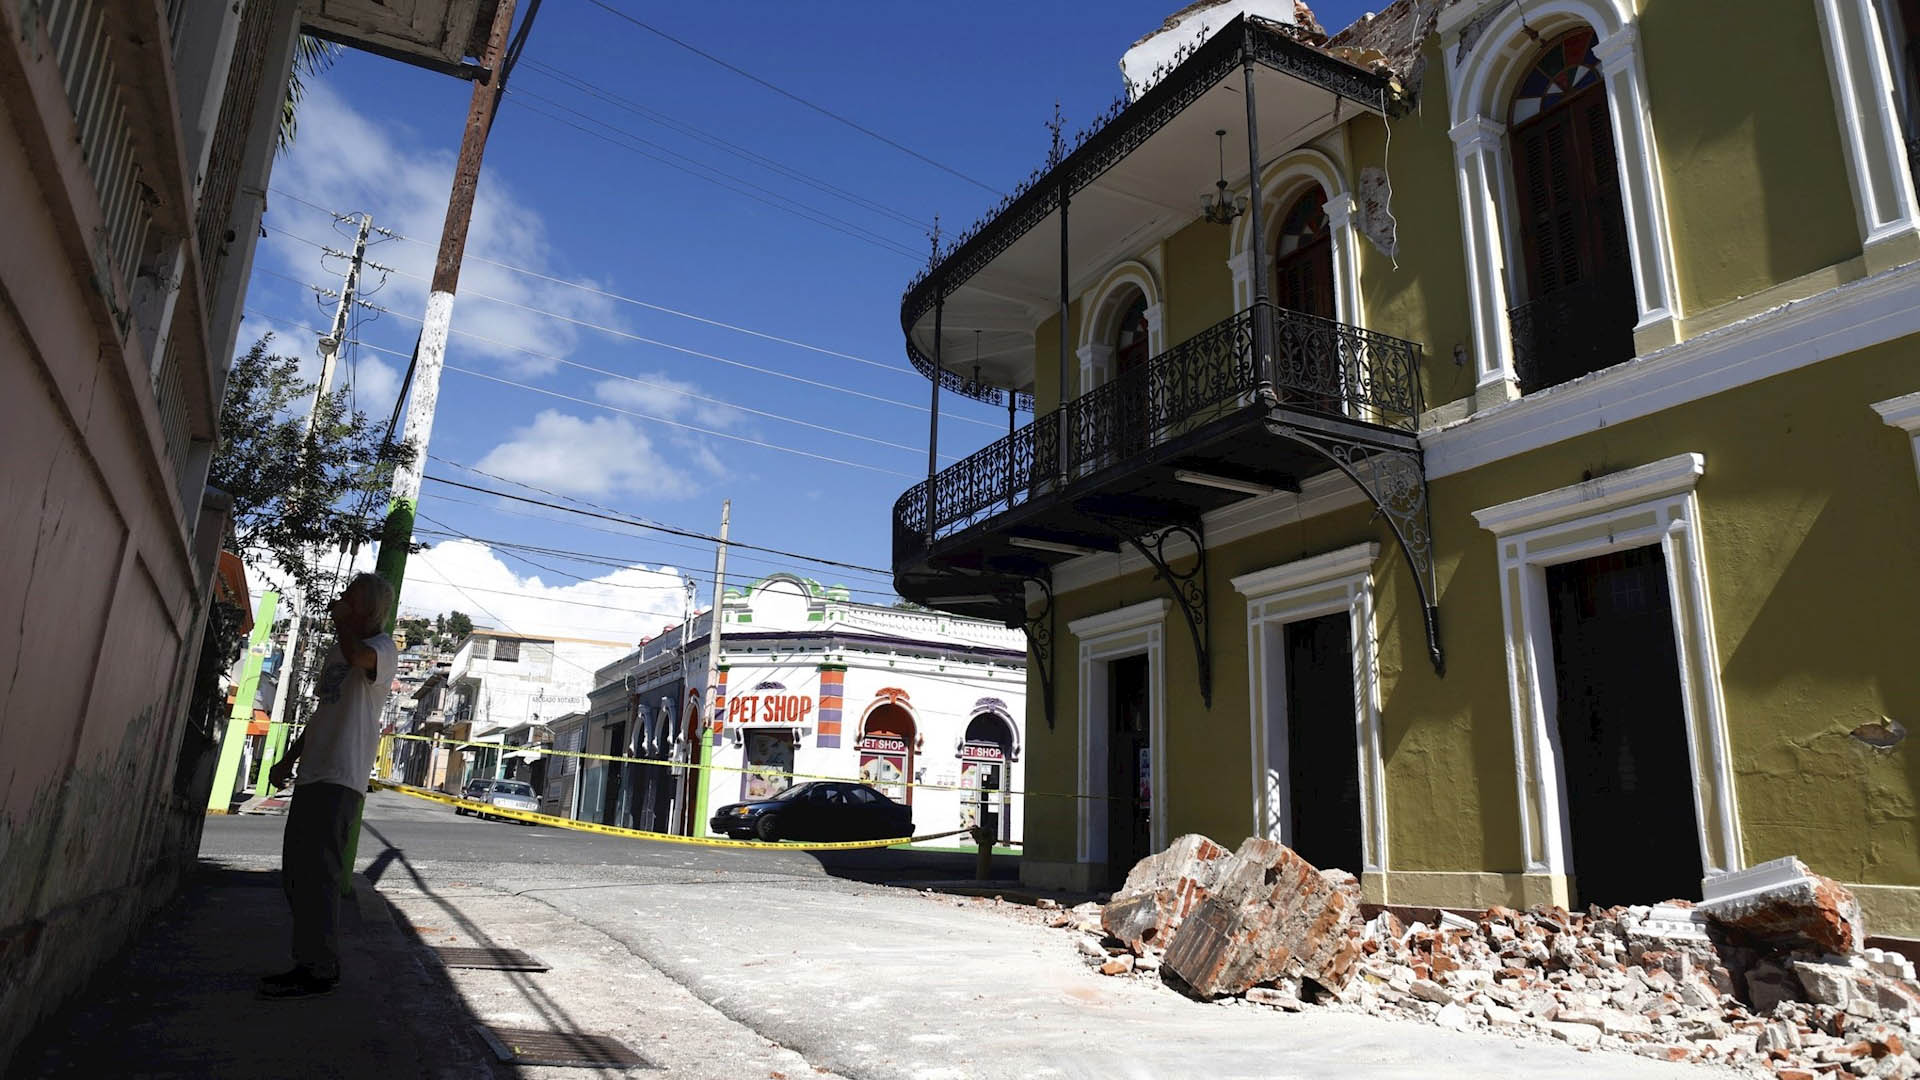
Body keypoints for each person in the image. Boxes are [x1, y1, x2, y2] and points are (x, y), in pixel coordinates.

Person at [256, 572, 399, 1001]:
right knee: (298, 875)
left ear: (368, 607)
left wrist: (340, 622)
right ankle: (307, 961)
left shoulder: (381, 649)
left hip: (341, 776)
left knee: (319, 875)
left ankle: (320, 968)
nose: (340, 602)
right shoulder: (340, 653)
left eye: (349, 598)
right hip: (313, 774)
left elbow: (360, 659)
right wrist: (289, 758)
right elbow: (324, 712)